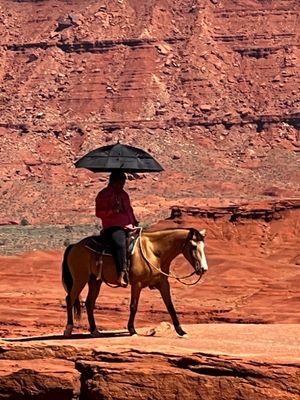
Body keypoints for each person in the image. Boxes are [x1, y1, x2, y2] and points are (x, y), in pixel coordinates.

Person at [95, 171, 138, 287]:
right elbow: (99, 213)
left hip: (128, 226)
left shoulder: (124, 195)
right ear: (112, 182)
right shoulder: (104, 194)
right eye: (119, 183)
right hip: (113, 227)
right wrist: (112, 210)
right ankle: (121, 274)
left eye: (123, 183)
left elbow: (129, 210)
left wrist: (134, 221)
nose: (122, 185)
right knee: (120, 243)